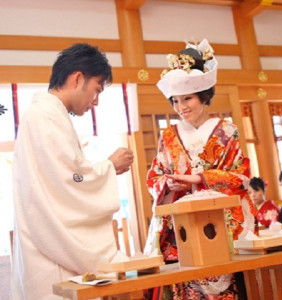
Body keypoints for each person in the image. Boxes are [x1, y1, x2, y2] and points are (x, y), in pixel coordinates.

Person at [11, 43, 134, 299]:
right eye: (97, 90)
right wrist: (109, 167)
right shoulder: (45, 118)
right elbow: (70, 179)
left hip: (45, 251)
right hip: (51, 259)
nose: (96, 102)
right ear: (78, 78)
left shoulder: (49, 115)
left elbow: (67, 176)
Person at [143, 39, 257, 299]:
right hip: (180, 225)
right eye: (175, 101)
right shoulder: (168, 136)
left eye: (188, 99)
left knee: (225, 286)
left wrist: (199, 178)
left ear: (204, 96)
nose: (181, 107)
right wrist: (167, 184)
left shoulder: (226, 131)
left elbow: (241, 177)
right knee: (186, 286)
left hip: (219, 223)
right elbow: (154, 176)